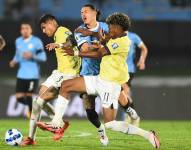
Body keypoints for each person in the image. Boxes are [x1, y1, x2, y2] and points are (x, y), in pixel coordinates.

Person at [38, 12, 160, 149]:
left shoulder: (123, 42)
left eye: (111, 27)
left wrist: (76, 53)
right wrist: (90, 34)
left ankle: (147, 134)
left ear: (119, 27)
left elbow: (99, 53)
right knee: (65, 85)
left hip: (110, 85)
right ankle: (56, 123)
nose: (109, 29)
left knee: (110, 124)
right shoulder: (116, 35)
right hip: (99, 79)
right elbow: (103, 37)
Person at [21, 14, 81, 146]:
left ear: (52, 23)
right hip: (59, 72)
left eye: (44, 27)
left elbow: (74, 40)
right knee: (39, 98)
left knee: (37, 102)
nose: (43, 31)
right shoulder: (57, 34)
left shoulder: (61, 31)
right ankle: (60, 123)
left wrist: (59, 44)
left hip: (68, 74)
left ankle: (33, 137)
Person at [9, 21, 47, 118]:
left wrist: (32, 56)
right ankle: (35, 107)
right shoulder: (18, 41)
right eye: (23, 28)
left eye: (27, 28)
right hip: (21, 74)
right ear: (20, 31)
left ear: (31, 30)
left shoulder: (36, 42)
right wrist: (14, 61)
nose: (25, 30)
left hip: (32, 74)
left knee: (29, 96)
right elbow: (18, 55)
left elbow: (43, 58)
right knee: (19, 98)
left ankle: (31, 113)